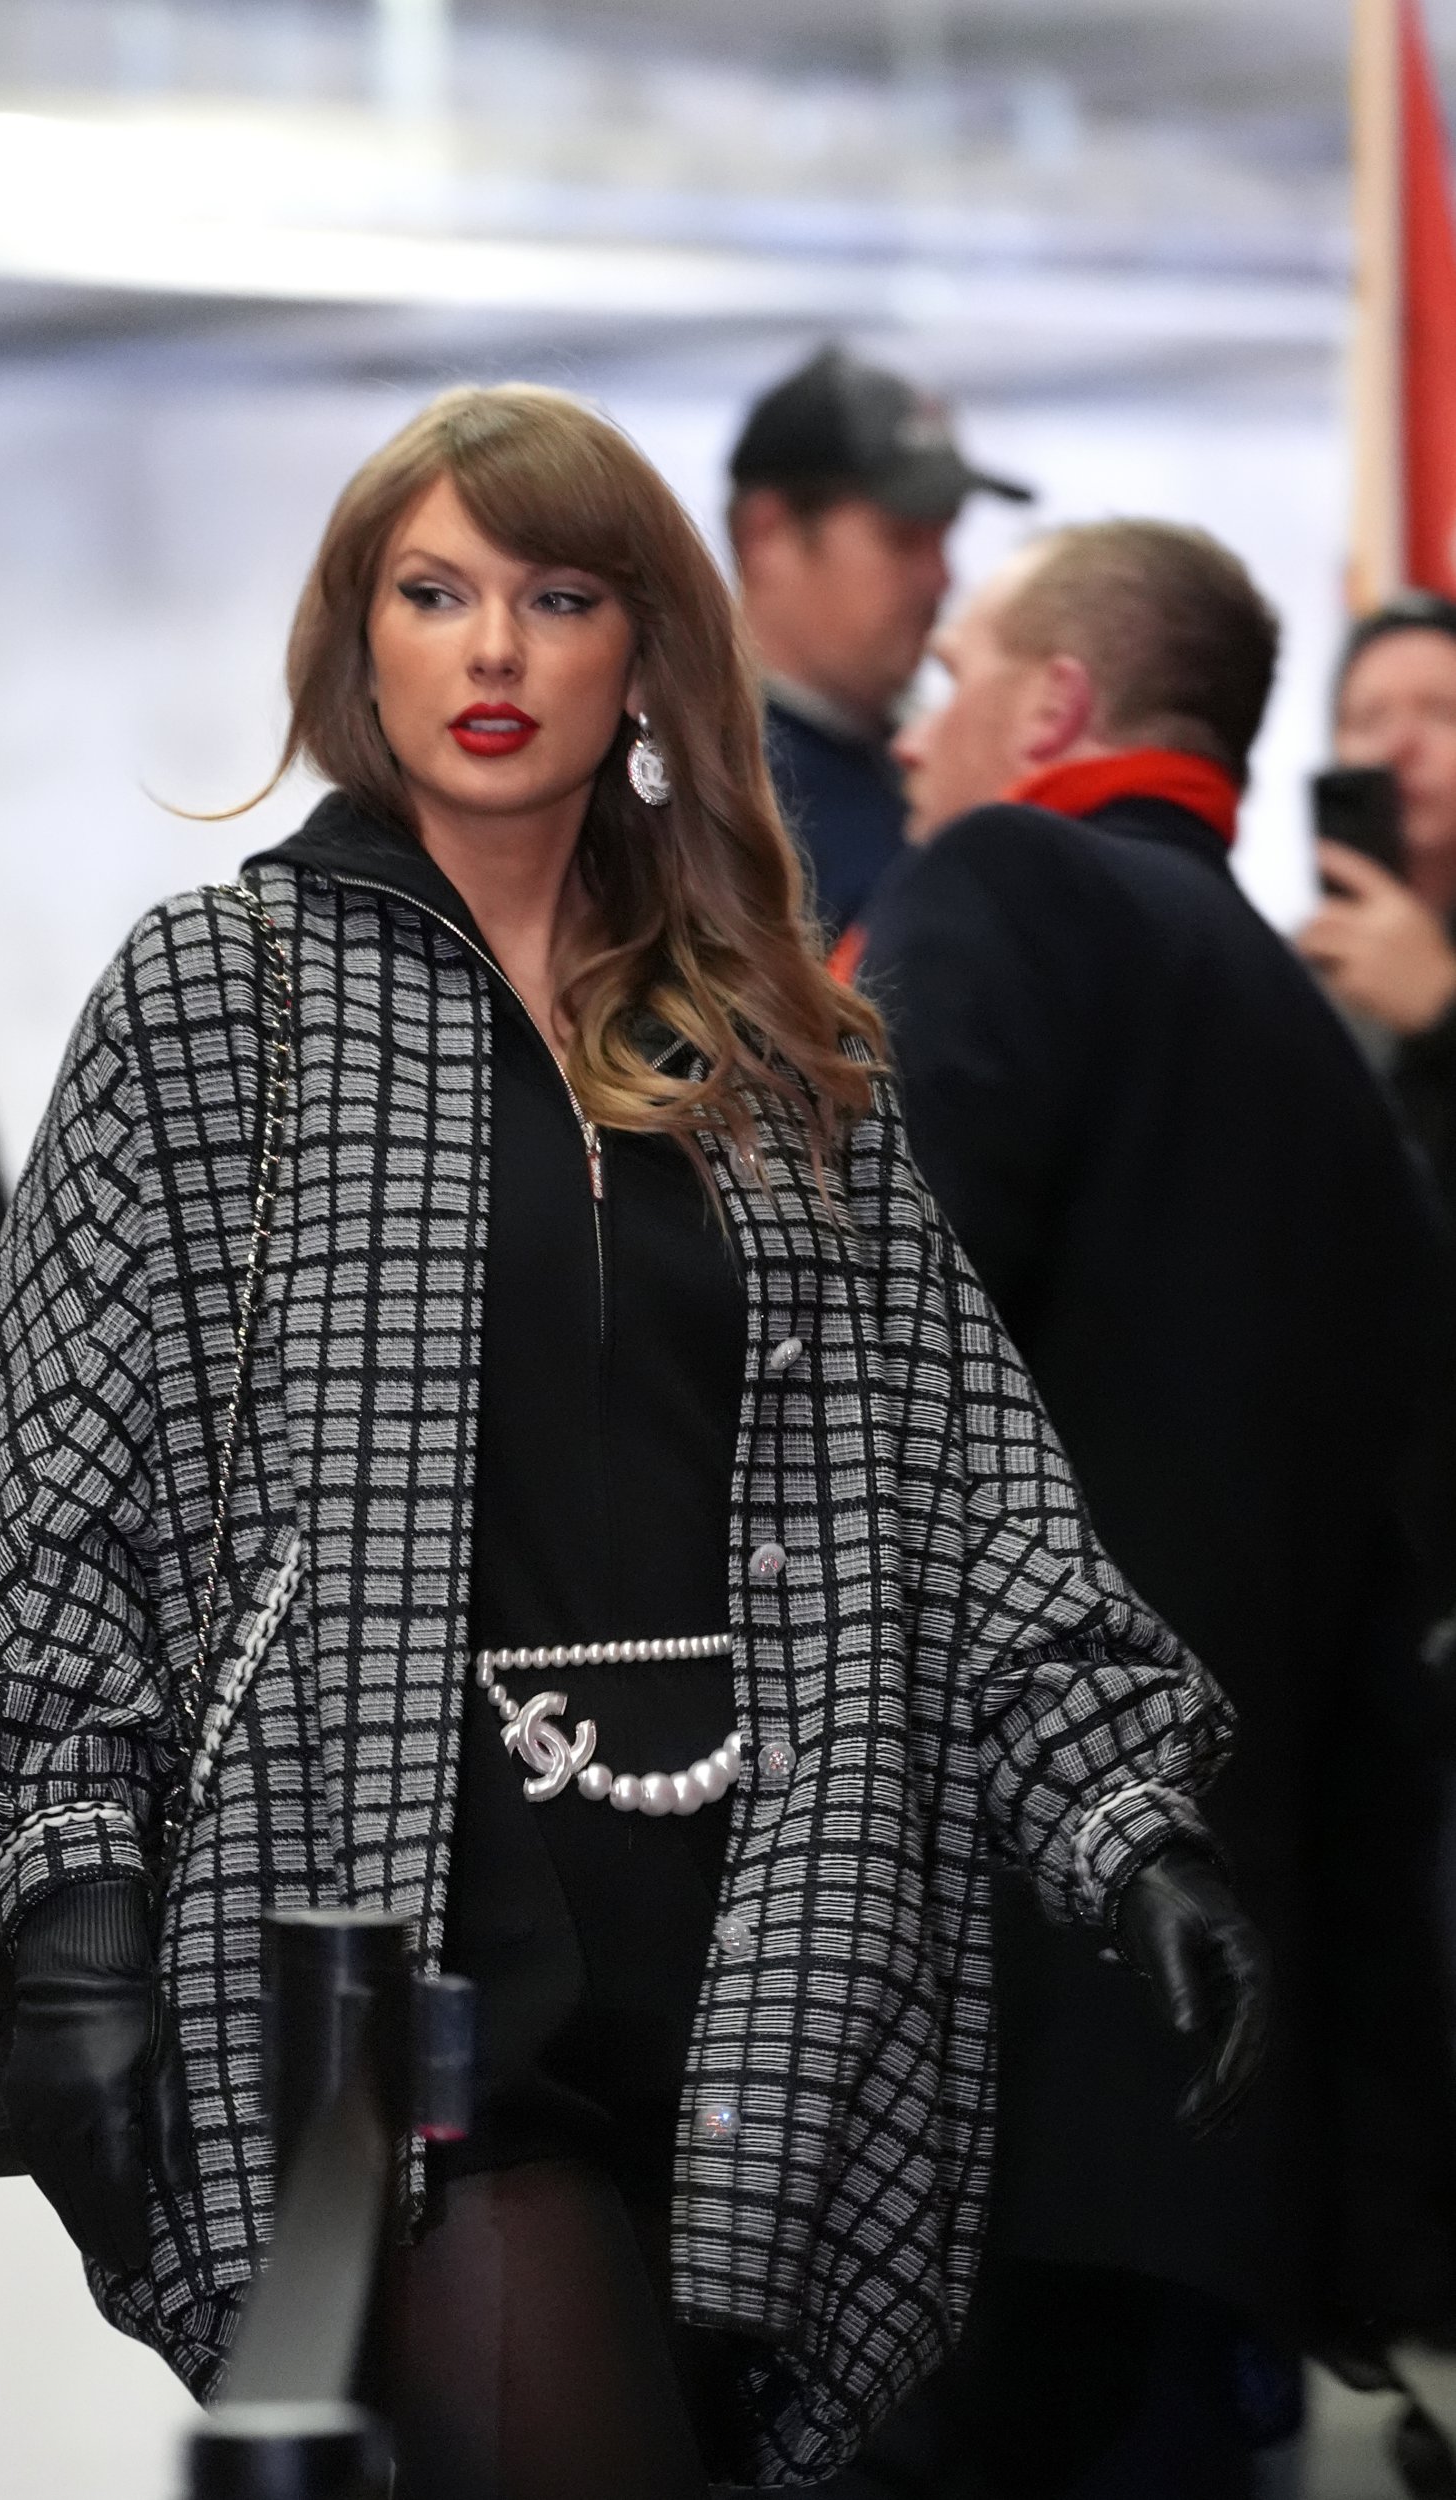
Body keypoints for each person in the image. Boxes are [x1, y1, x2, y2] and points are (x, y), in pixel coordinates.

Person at [0, 393, 1266, 2498]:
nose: (496, 652)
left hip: (769, 1944)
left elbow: (963, 1469)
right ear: (360, 650)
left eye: (555, 596)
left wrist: (1121, 1817)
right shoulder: (218, 1001)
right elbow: (48, 1483)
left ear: (645, 650)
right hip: (392, 1919)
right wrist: (75, 1889)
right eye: (433, 596)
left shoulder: (771, 1043)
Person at [867, 521, 1456, 2495]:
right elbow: (1379, 1655)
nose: (917, 734)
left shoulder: (1006, 885)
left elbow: (874, 1388)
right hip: (1219, 2103)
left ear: (1053, 707)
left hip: (954, 2049)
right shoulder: (1340, 1086)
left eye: (956, 679)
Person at [727, 345, 1031, 941]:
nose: (943, 578)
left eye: (945, 540)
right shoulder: (701, 784)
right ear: (767, 536)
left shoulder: (932, 762)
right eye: (903, 540)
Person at [1302, 588, 1456, 1232]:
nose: (1398, 746)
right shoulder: (1283, 977)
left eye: (1442, 712)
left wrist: (1443, 1022)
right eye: (1366, 720)